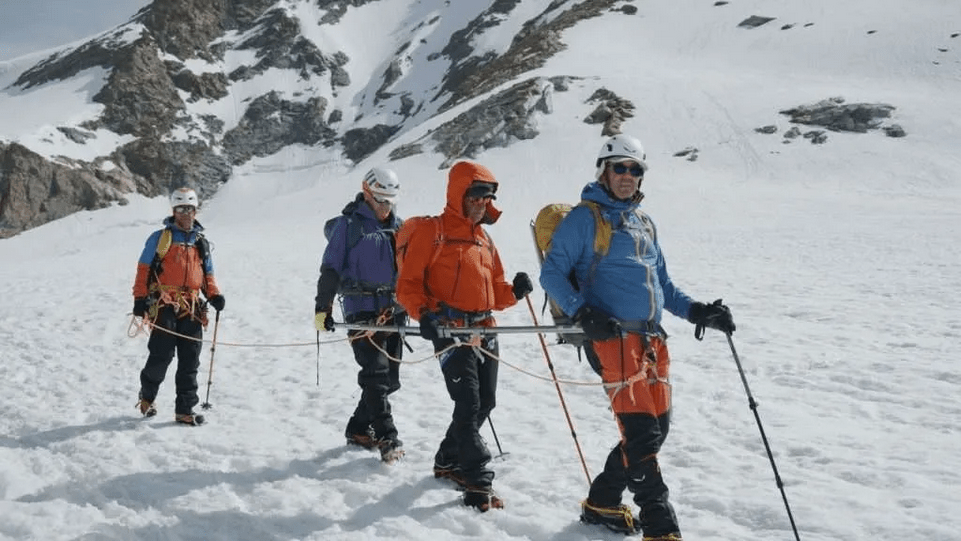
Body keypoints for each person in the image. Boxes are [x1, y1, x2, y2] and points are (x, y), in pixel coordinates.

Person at [539, 134, 735, 540]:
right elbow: (551, 274)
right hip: (612, 340)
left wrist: (698, 311)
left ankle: (603, 502)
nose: (628, 176)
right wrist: (581, 311)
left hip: (651, 340)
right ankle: (661, 528)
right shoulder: (584, 218)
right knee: (642, 433)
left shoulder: (644, 222)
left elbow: (662, 285)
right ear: (604, 171)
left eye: (636, 169)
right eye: (620, 167)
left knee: (655, 429)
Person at [395, 160, 533, 512]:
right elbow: (408, 285)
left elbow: (495, 292)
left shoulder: (484, 240)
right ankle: (477, 482)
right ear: (459, 193)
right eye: (475, 193)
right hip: (450, 330)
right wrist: (422, 314)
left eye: (487, 196)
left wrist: (514, 292)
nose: (481, 201)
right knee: (469, 402)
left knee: (485, 401)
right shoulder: (432, 231)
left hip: (485, 331)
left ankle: (447, 459)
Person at [315, 167, 407, 463]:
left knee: (389, 380)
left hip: (393, 310)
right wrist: (323, 306)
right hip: (360, 309)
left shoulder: (399, 227)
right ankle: (387, 436)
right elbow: (330, 267)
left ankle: (357, 428)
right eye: (381, 200)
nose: (385, 207)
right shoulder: (348, 226)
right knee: (376, 375)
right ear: (367, 193)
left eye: (390, 201)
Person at [132, 187, 225, 426]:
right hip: (164, 305)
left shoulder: (200, 242)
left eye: (190, 209)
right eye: (181, 209)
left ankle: (185, 409)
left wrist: (214, 295)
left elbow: (208, 274)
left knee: (190, 360)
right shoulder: (160, 239)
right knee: (161, 356)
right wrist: (139, 300)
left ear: (196, 211)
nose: (186, 214)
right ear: (174, 211)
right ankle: (147, 397)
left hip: (193, 307)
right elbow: (143, 270)